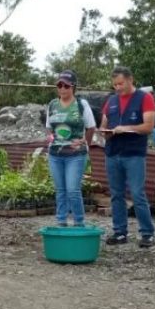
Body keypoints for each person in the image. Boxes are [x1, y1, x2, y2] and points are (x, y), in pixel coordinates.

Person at [99, 66, 155, 247]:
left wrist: (127, 128)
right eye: (115, 84)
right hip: (113, 152)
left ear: (131, 80)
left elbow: (148, 127)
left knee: (137, 193)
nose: (118, 87)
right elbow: (104, 124)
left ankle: (147, 233)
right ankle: (120, 232)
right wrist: (105, 132)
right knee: (116, 194)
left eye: (121, 84)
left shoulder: (144, 98)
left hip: (133, 154)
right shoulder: (111, 101)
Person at [44, 70, 96, 227]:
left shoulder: (81, 104)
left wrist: (83, 142)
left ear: (73, 87)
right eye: (59, 85)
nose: (62, 89)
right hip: (55, 154)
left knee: (73, 190)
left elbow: (91, 127)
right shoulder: (52, 105)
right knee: (60, 190)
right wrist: (51, 137)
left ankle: (79, 221)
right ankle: (61, 221)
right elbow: (48, 127)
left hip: (75, 154)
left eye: (66, 85)